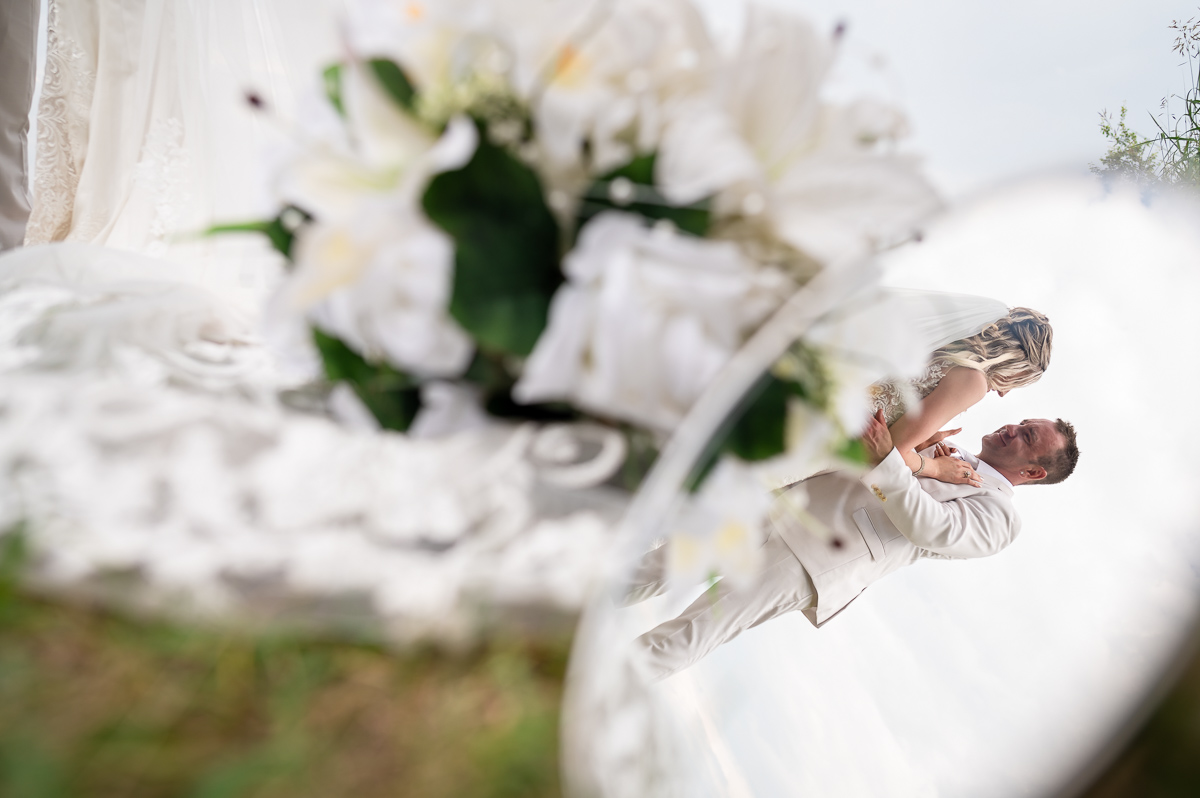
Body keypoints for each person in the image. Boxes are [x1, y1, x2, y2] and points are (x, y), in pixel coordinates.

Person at [631, 410, 1080, 681]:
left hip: (810, 561)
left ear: (1034, 472)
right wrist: (916, 456)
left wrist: (891, 460)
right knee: (651, 567)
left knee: (694, 631)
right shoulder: (945, 447)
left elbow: (932, 528)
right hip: (781, 506)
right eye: (1023, 422)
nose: (1013, 427)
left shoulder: (1001, 517)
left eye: (1027, 436)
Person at [869, 306, 1053, 488]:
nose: (1003, 392)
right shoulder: (974, 380)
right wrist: (937, 468)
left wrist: (921, 439)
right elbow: (889, 452)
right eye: (1015, 380)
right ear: (1012, 362)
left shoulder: (949, 339)